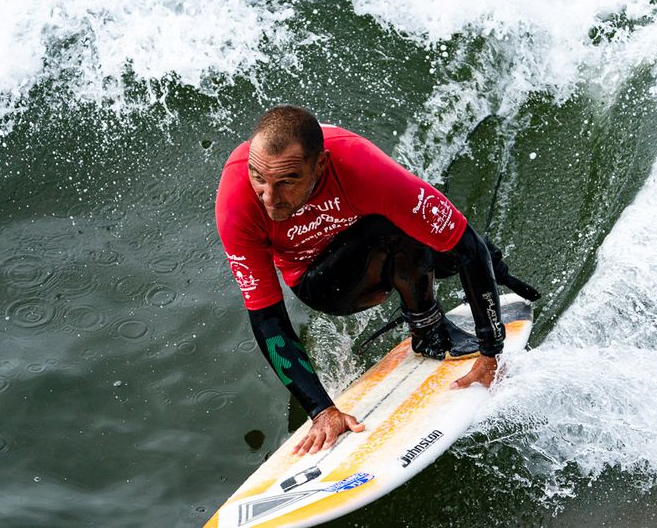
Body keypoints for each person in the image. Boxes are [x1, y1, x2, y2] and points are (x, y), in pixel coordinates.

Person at [215, 105, 538, 456]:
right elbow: (267, 318)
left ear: (320, 164)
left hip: (374, 248)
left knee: (440, 239)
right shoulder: (237, 201)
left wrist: (491, 351)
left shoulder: (359, 164)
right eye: (259, 178)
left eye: (287, 181)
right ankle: (427, 329)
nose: (269, 198)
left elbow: (468, 245)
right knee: (391, 232)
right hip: (321, 283)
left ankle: (427, 327)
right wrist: (322, 410)